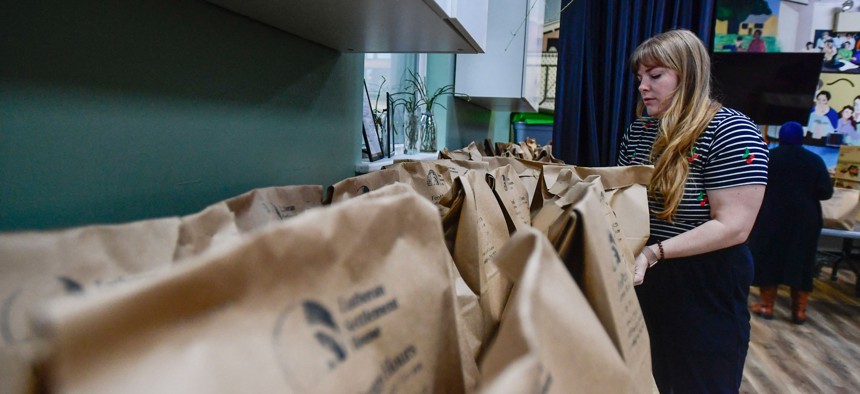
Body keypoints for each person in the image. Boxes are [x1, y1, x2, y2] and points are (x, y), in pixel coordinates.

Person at [618, 29, 769, 393]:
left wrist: (656, 252)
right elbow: (622, 203)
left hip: (705, 284)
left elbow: (734, 226)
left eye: (655, 76)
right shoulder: (639, 132)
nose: (643, 86)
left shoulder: (731, 131)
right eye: (640, 77)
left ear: (688, 76)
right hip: (646, 278)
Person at [747, 122, 833, 324]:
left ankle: (767, 306)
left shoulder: (769, 157)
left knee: (769, 259)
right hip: (805, 221)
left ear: (781, 137)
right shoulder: (815, 160)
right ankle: (799, 312)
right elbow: (825, 192)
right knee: (803, 262)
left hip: (772, 217)